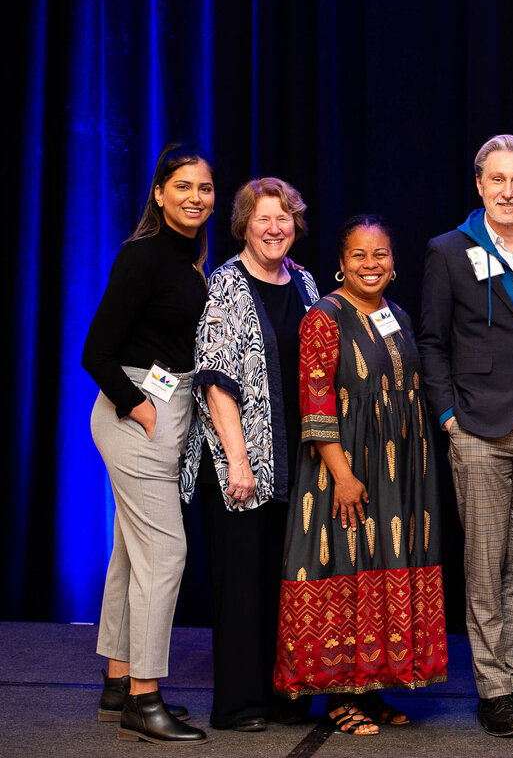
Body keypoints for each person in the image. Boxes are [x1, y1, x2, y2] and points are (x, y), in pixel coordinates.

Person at [418, 134, 513, 738]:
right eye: (497, 180)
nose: (509, 191)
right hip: (478, 430)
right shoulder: (448, 251)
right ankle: (492, 690)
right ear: (480, 185)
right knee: (485, 566)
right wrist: (449, 420)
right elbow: (431, 341)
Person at [275, 215, 448, 735]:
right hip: (342, 472)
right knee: (341, 571)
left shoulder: (398, 315)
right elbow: (317, 404)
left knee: (379, 570)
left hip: (398, 478)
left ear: (393, 264)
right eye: (358, 256)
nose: (370, 265)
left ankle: (369, 689)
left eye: (380, 256)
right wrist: (344, 476)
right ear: (340, 264)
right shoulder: (324, 319)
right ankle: (335, 696)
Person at [82, 143, 213, 745]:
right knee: (165, 555)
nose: (195, 197)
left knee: (132, 556)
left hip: (165, 408)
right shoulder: (143, 257)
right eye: (182, 186)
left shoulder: (187, 257)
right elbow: (96, 352)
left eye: (204, 188)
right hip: (136, 412)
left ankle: (117, 680)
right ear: (159, 193)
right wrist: (138, 407)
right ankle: (144, 697)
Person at [180, 177, 320, 732]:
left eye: (283, 218)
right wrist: (238, 461)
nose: (273, 228)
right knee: (241, 586)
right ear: (243, 225)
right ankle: (240, 704)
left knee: (281, 583)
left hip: (296, 463)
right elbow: (215, 382)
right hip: (239, 464)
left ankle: (286, 694)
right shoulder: (225, 286)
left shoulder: (306, 283)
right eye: (262, 219)